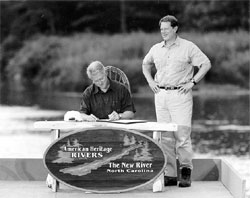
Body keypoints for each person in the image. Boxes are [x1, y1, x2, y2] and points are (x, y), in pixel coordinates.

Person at [142, 15, 211, 187]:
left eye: (166, 29)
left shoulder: (188, 47)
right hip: (161, 96)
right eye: (161, 29)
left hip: (180, 95)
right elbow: (145, 64)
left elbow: (206, 64)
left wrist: (193, 82)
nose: (163, 32)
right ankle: (170, 174)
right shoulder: (156, 48)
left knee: (182, 135)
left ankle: (185, 172)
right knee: (165, 137)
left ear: (175, 28)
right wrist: (150, 82)